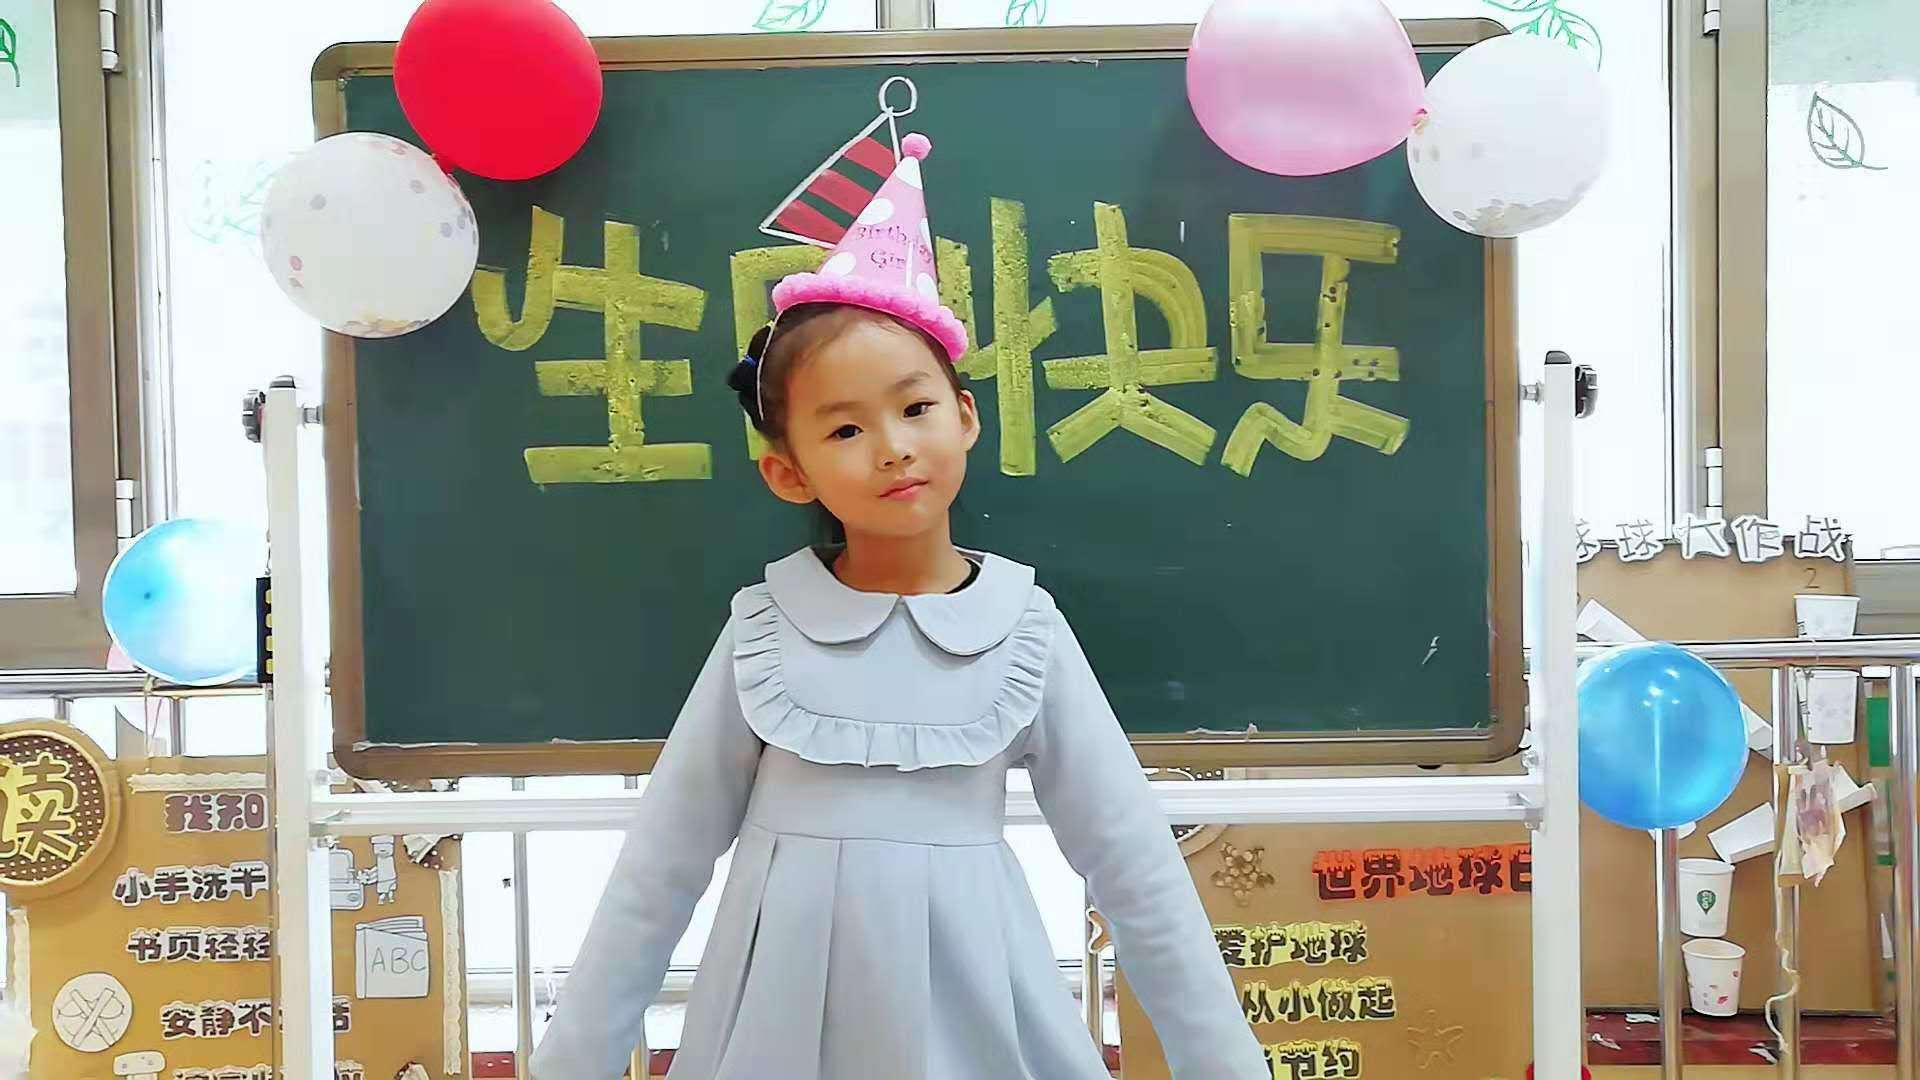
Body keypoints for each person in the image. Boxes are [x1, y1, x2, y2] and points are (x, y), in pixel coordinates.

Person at [531, 121, 1266, 1080]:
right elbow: (658, 868)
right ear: (788, 473)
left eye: (916, 408)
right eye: (844, 430)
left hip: (976, 999)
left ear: (964, 416)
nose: (892, 448)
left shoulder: (1023, 627)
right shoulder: (765, 628)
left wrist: (1226, 1066)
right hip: (775, 1024)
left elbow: (1134, 867)